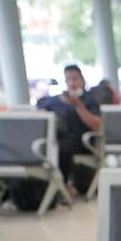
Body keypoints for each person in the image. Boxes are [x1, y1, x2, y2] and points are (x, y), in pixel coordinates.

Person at [36, 64, 101, 192]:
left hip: (80, 141)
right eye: (68, 79)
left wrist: (78, 106)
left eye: (75, 79)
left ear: (82, 79)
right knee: (43, 147)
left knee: (61, 149)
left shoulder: (90, 100)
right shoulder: (55, 101)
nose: (72, 83)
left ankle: (60, 187)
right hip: (55, 138)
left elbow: (96, 125)